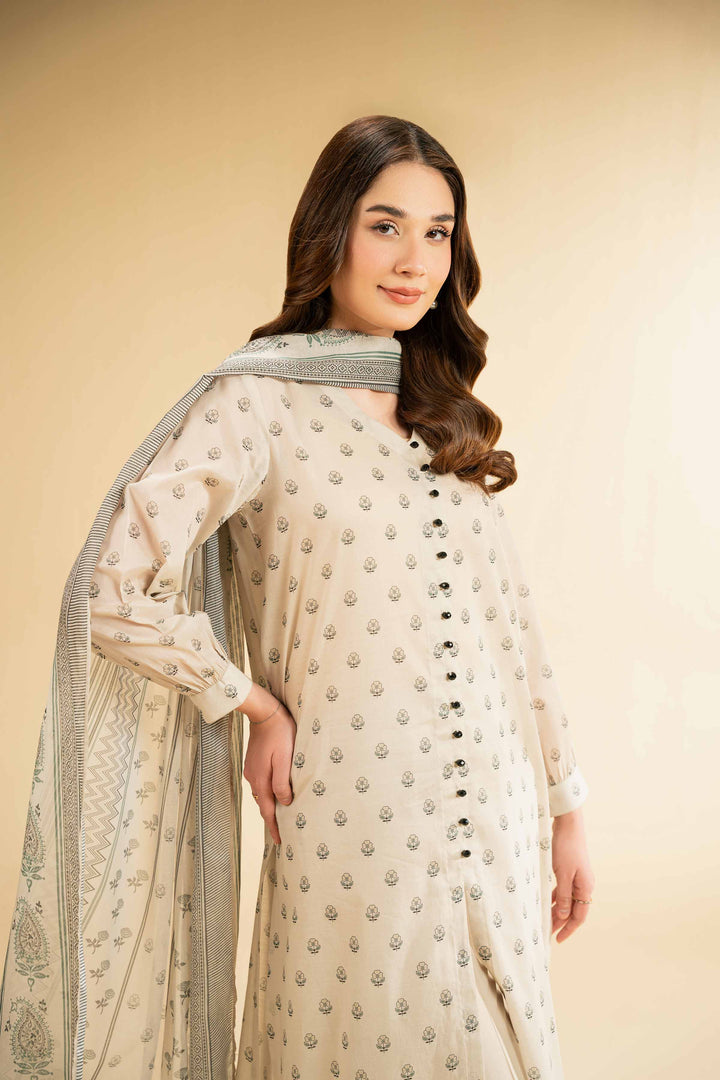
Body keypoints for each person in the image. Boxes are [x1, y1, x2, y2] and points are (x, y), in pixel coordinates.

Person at [0, 115, 594, 1080]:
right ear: (331, 231)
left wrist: (566, 809)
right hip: (356, 816)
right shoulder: (255, 403)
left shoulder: (443, 411)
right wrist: (247, 700)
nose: (415, 261)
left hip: (494, 810)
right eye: (385, 225)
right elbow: (111, 589)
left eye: (438, 233)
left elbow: (512, 632)